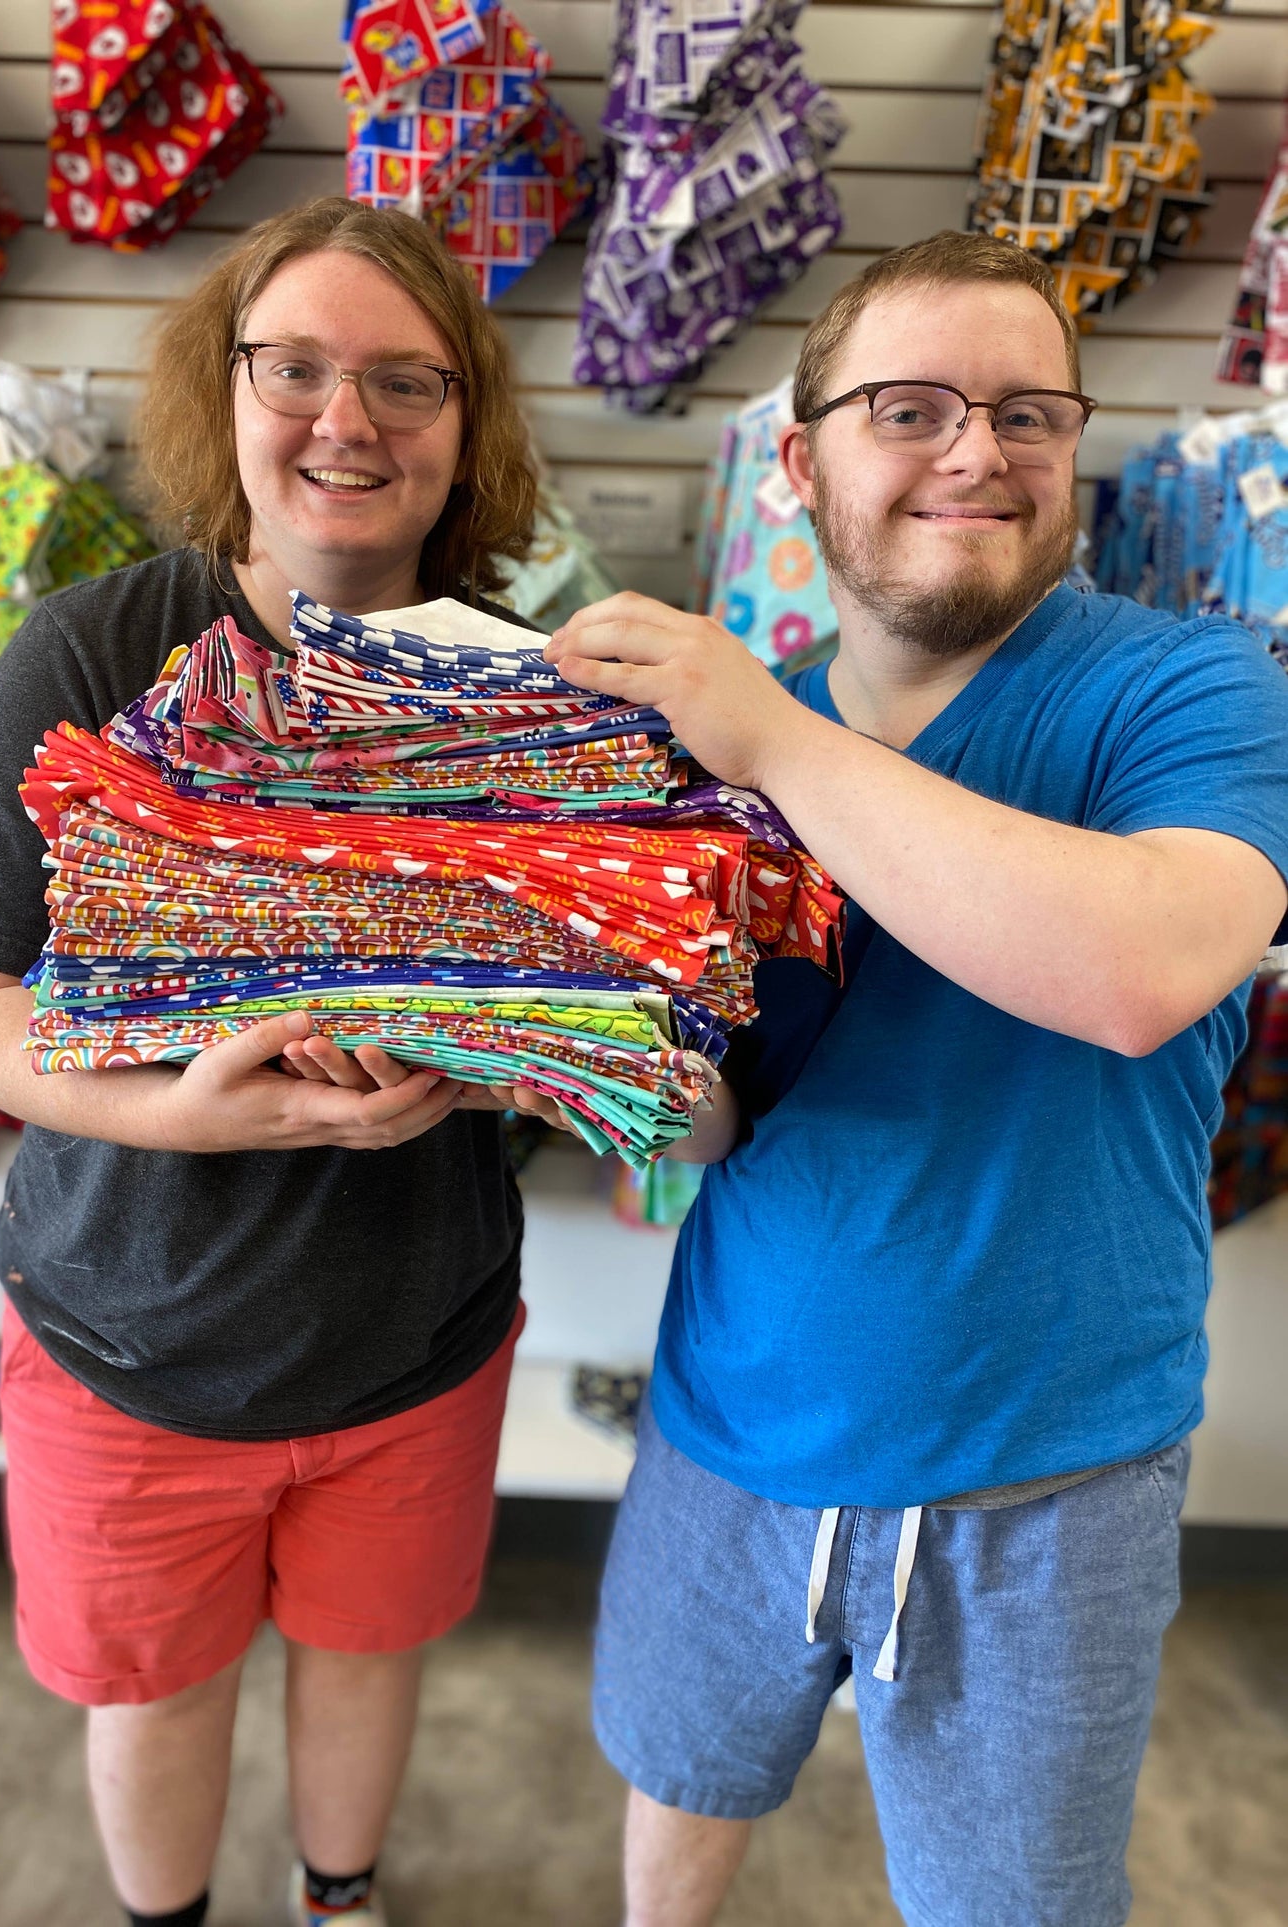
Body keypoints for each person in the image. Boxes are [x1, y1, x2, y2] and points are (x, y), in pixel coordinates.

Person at [543, 232, 1288, 1927]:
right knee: (675, 1775)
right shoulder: (714, 757)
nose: (976, 450)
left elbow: (1141, 969)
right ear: (800, 463)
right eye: (909, 408)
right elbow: (716, 1120)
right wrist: (574, 1048)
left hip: (1045, 1483)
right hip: (726, 1424)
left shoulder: (1193, 691)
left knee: (1008, 1904)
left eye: (1027, 411)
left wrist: (771, 739)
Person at [0, 198, 550, 1927]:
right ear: (224, 391)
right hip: (132, 1344)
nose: (347, 420)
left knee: (367, 1660)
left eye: (406, 379)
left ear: (465, 419)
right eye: (295, 368)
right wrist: (182, 1116)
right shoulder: (91, 654)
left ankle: (338, 1902)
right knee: (157, 1695)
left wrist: (517, 1060)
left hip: (413, 1339)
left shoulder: (525, 689)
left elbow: (582, 1015)